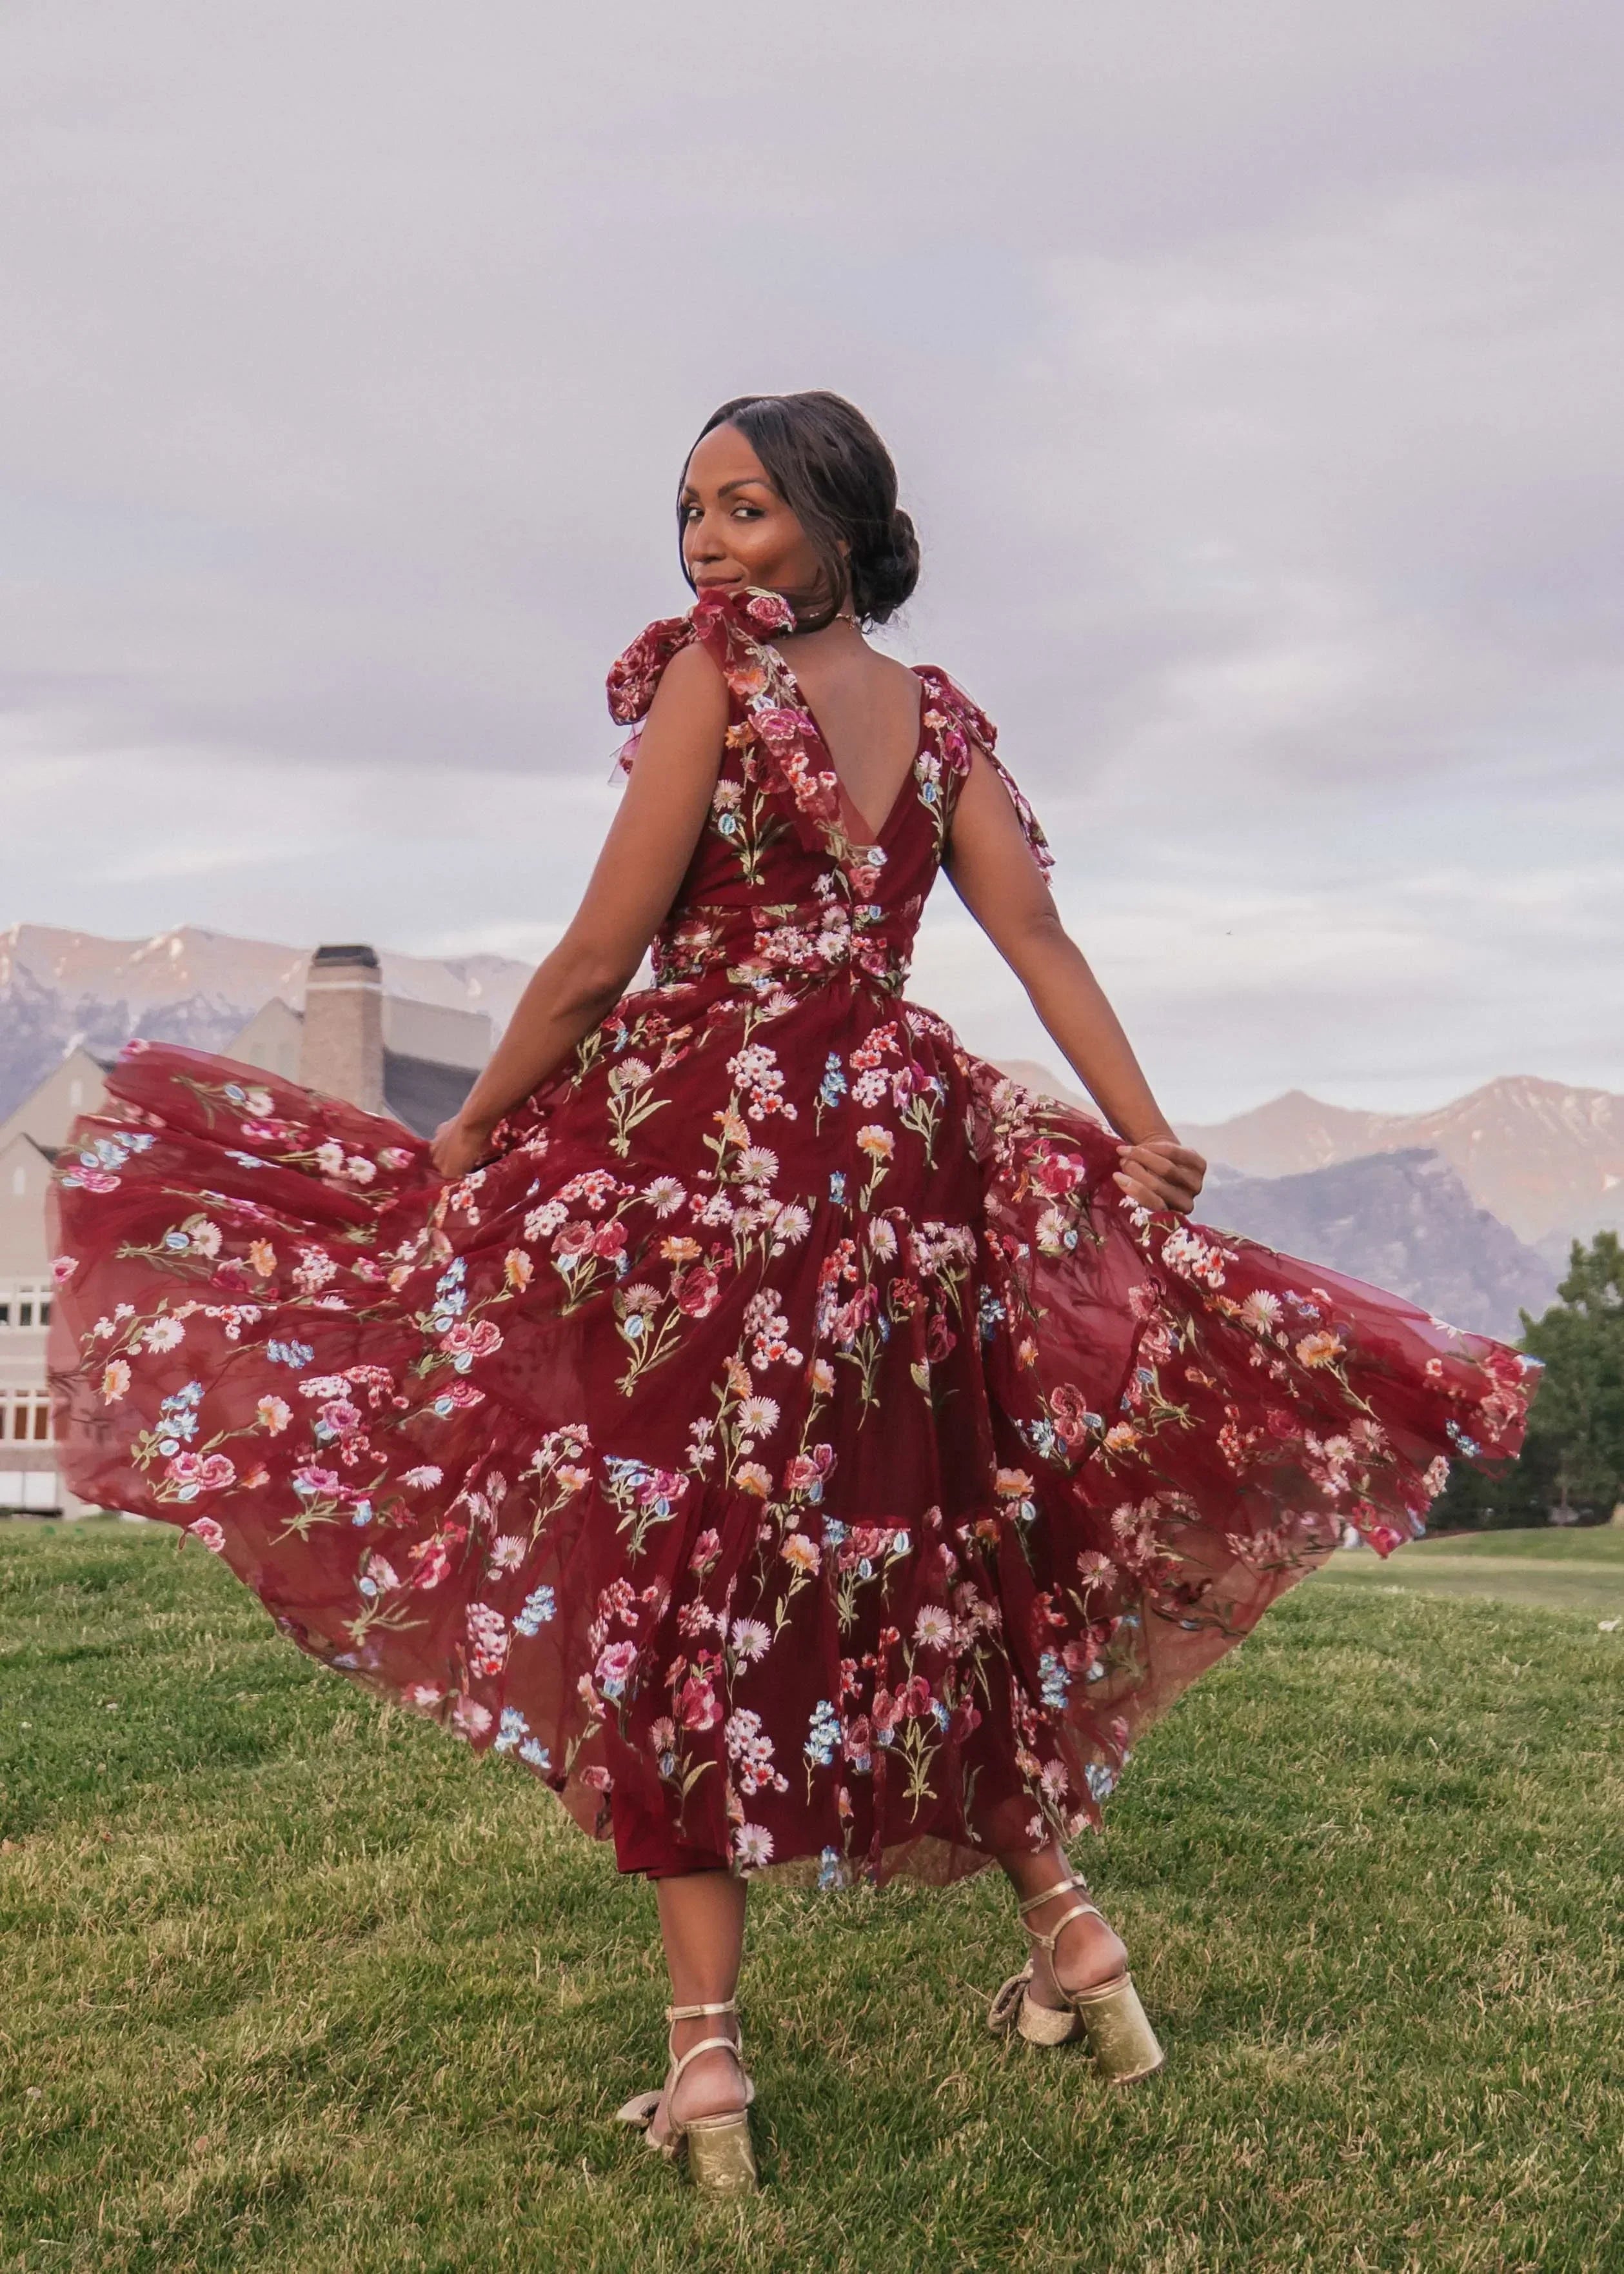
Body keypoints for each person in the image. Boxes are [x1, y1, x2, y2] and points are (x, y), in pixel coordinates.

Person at [47, 390, 1534, 2196]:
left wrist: (474, 1138)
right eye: (688, 512)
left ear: (834, 527)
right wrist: (1139, 1127)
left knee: (682, 1565)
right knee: (925, 1546)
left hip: (709, 1153)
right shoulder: (948, 718)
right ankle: (1078, 1950)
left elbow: (603, 953)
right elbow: (1036, 939)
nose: (706, 546)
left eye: (744, 510)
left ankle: (710, 2071)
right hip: (896, 1163)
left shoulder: (716, 680)